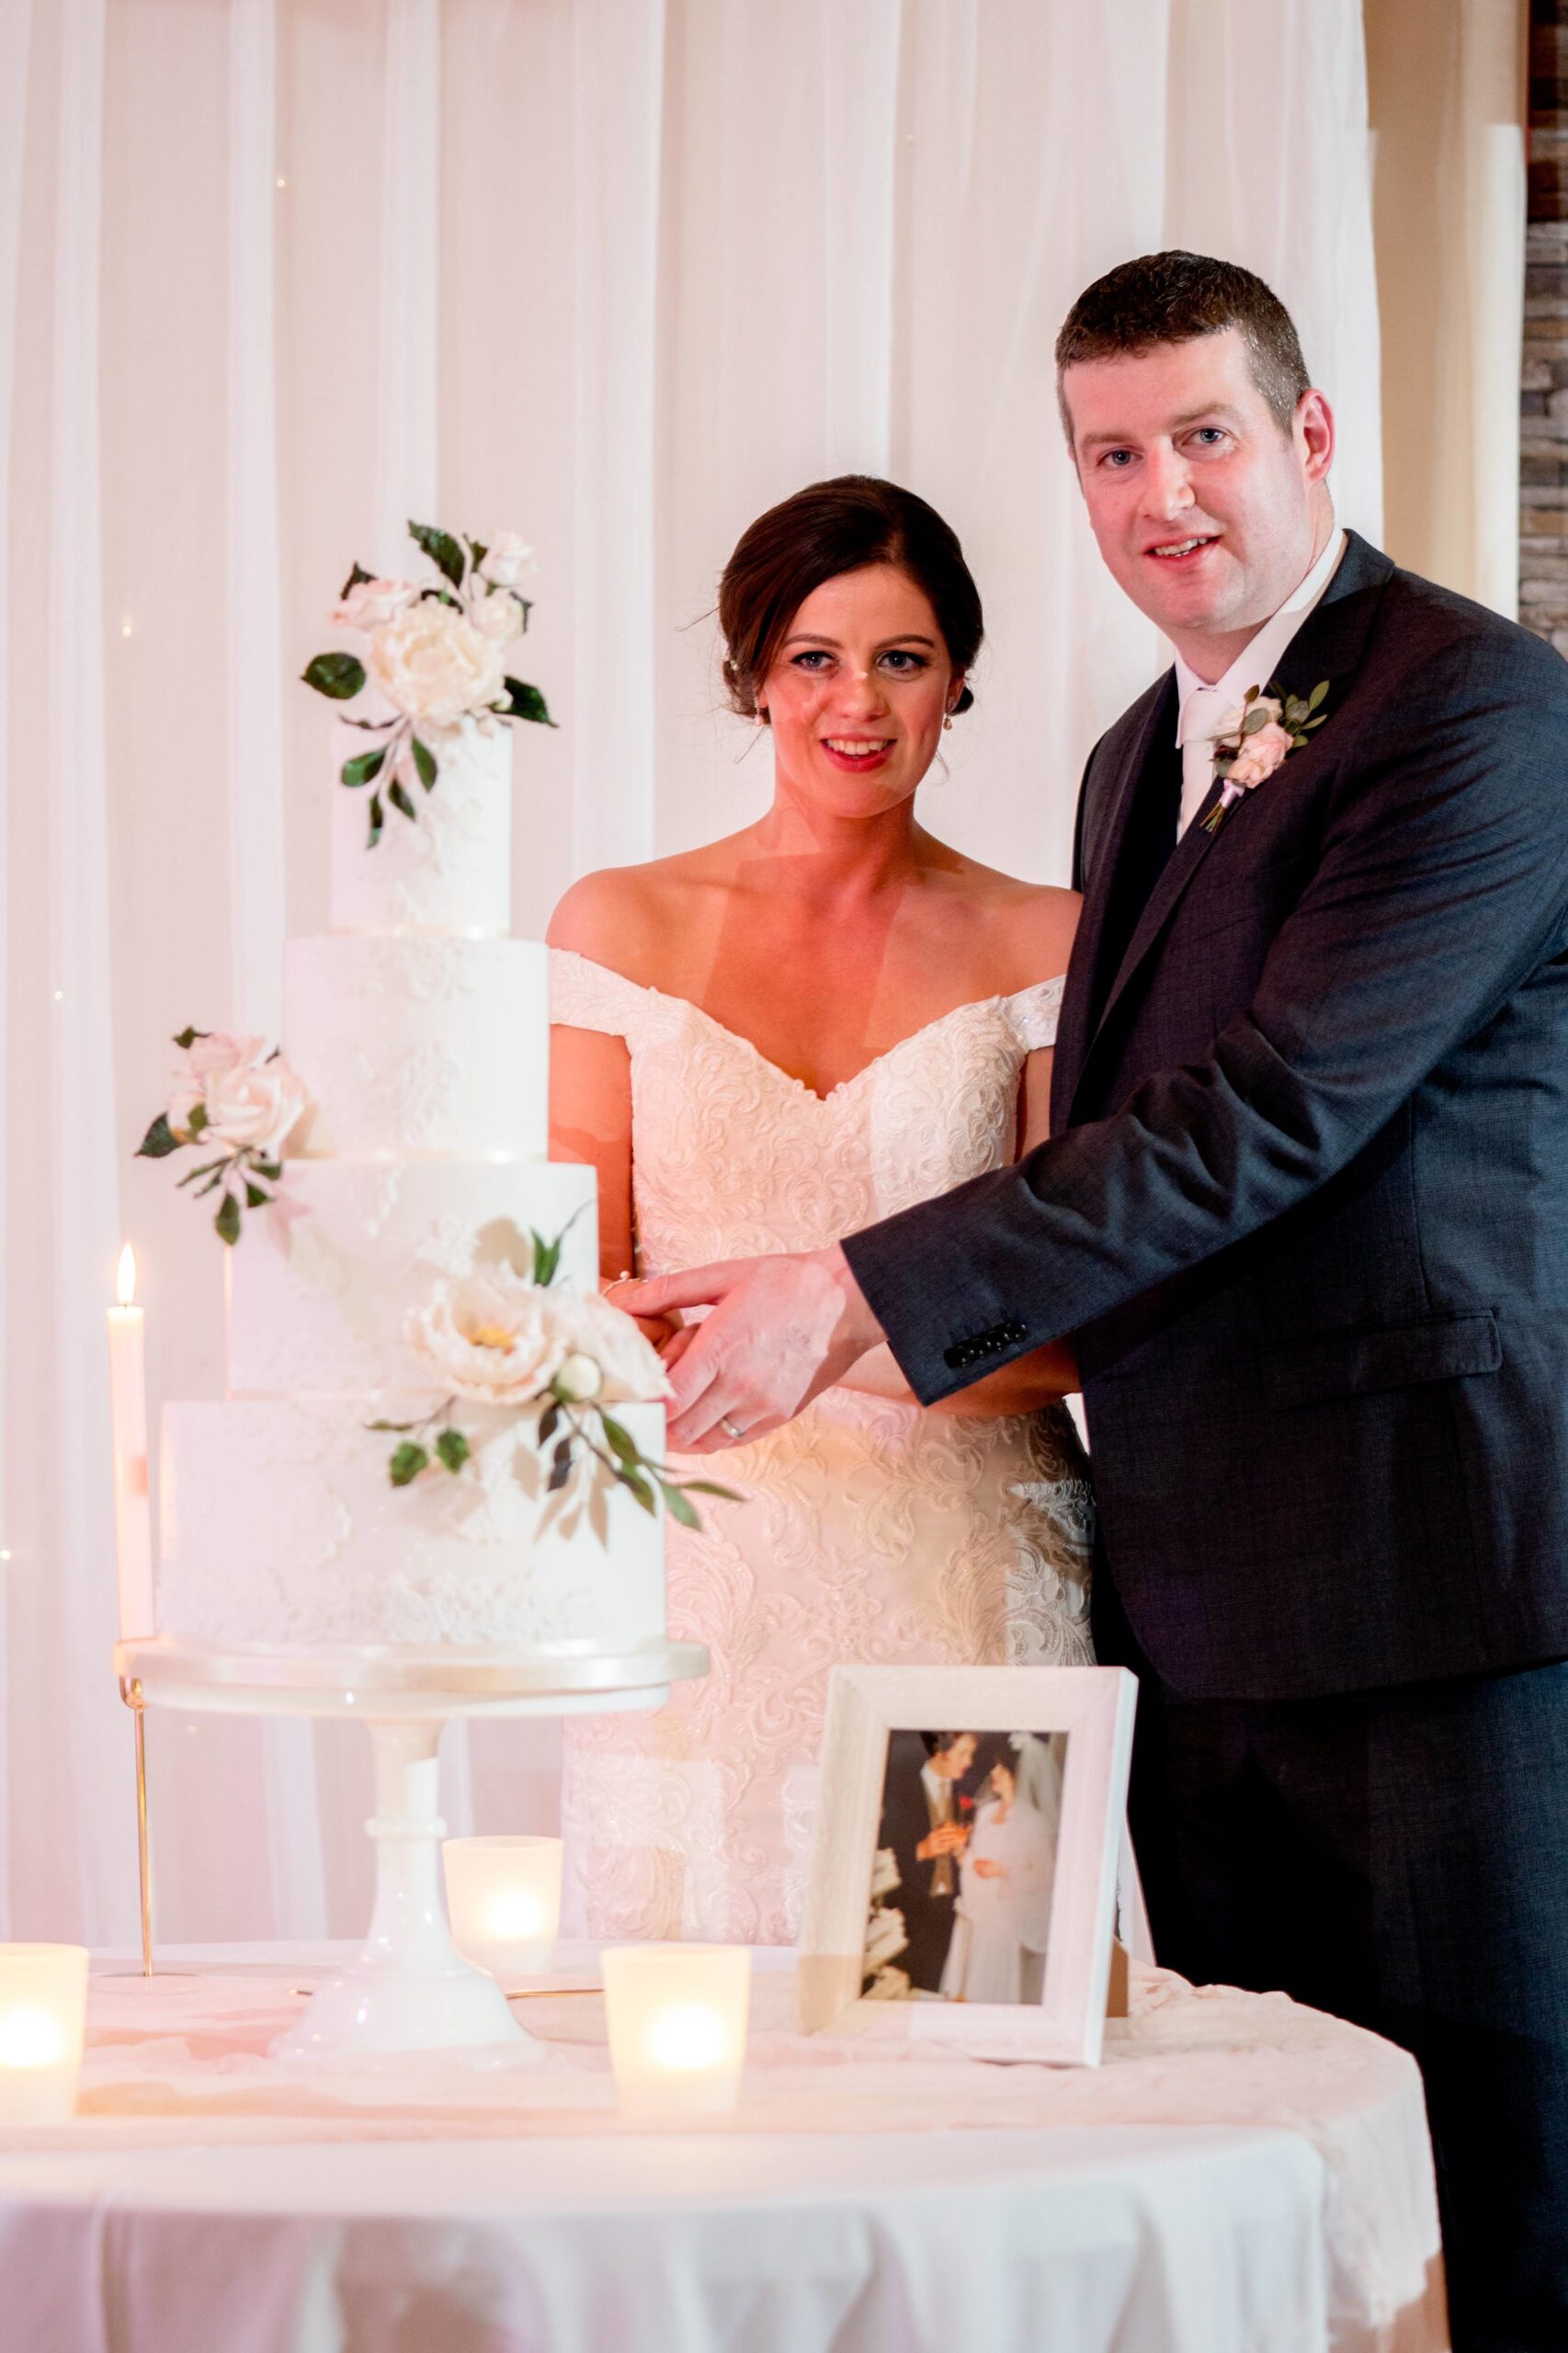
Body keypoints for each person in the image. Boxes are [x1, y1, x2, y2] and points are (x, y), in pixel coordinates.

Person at [623, 253, 1568, 2347]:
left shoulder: (1476, 708)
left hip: (1426, 1586)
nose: (1162, 492)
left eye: (1203, 433)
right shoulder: (1135, 757)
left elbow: (1271, 1110)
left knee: (1485, 2200)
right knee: (1254, 2196)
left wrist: (851, 1286)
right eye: (1109, 451)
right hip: (1175, 1595)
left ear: (1307, 436)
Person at [548, 475, 1093, 1946]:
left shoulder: (1047, 939)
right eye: (814, 658)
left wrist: (826, 1333)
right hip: (697, 1584)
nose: (857, 702)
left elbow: (1077, 1317)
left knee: (960, 2016)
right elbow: (578, 1294)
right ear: (753, 679)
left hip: (973, 1578)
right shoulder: (618, 925)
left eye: (901, 660)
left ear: (957, 683)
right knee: (689, 2059)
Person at [939, 1754, 1055, 2006]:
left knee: (985, 1991)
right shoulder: (985, 1813)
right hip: (972, 1912)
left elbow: (1045, 1878)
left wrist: (1004, 1870)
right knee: (960, 1987)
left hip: (1001, 1921)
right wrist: (960, 1851)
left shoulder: (1032, 1822)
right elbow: (973, 1862)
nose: (994, 1776)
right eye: (994, 1770)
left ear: (1016, 1777)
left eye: (1001, 1772)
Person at [878, 1730, 978, 1994]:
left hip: (949, 1912)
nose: (969, 1762)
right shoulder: (897, 1789)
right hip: (907, 1912)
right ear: (940, 1752)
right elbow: (876, 1852)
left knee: (936, 1990)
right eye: (963, 1753)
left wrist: (962, 1848)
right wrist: (921, 1849)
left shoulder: (964, 1796)